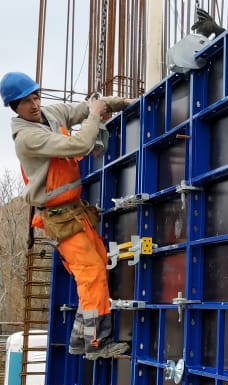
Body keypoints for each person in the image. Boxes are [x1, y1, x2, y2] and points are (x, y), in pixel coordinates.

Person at [0, 71, 131, 359]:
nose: (34, 104)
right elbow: (80, 145)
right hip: (58, 217)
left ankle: (77, 339)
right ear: (14, 107)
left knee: (97, 262)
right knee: (91, 272)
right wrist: (95, 118)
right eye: (25, 101)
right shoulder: (27, 138)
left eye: (35, 96)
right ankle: (97, 343)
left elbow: (85, 109)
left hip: (72, 211)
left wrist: (118, 103)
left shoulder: (51, 113)